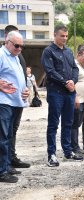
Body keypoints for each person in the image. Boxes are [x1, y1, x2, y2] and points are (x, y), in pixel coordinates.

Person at [41, 24, 83, 167]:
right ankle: (51, 154)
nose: (64, 38)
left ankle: (68, 151)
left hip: (69, 94)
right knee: (53, 124)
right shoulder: (48, 51)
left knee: (68, 123)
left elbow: (75, 68)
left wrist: (73, 81)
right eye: (62, 36)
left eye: (66, 36)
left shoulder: (69, 52)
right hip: (56, 93)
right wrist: (65, 82)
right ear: (55, 35)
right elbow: (50, 71)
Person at [0, 31, 29, 183]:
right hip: (4, 102)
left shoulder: (15, 57)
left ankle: (7, 165)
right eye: (17, 45)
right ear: (7, 42)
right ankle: (1, 171)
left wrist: (25, 90)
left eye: (21, 46)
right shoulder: (1, 55)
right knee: (3, 137)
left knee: (9, 136)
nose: (19, 49)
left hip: (15, 102)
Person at [70, 48, 84, 154]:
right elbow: (71, 83)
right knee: (74, 125)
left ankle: (76, 146)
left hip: (83, 101)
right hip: (76, 100)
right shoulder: (74, 66)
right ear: (78, 55)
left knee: (77, 124)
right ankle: (74, 147)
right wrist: (75, 97)